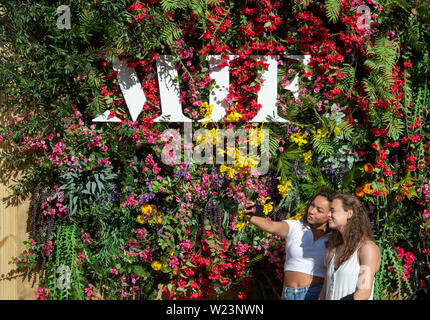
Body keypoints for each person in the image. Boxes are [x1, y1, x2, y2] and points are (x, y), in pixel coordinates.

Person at [244, 188, 335, 300]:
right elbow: (271, 226)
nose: (312, 211)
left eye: (319, 210)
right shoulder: (295, 226)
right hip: (288, 294)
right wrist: (251, 217)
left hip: (316, 294)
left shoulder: (334, 239)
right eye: (312, 205)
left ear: (330, 215)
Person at [319, 193, 380, 300]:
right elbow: (324, 292)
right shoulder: (333, 249)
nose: (328, 215)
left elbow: (364, 292)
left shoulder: (367, 248)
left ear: (349, 213)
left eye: (333, 210)